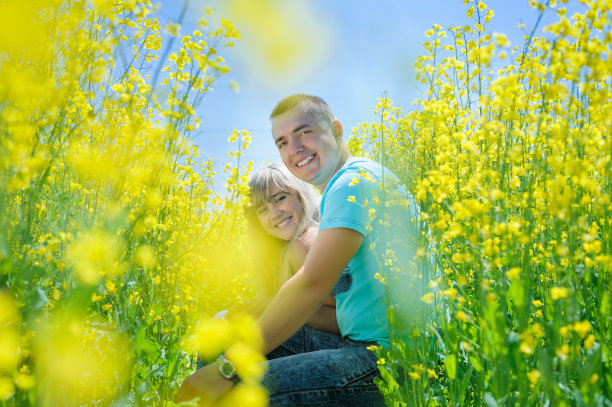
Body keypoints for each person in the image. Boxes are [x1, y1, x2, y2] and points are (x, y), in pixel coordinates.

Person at [177, 94, 423, 406]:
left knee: (236, 390)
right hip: (367, 347)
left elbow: (312, 284)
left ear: (336, 129)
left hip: (389, 362)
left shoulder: (352, 184)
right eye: (282, 142)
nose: (294, 149)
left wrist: (227, 369)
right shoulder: (350, 183)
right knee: (230, 325)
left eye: (304, 132)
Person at [222, 163, 340, 335]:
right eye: (262, 210)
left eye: (279, 199)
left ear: (300, 195)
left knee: (228, 327)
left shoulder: (304, 244)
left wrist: (274, 307)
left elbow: (349, 319)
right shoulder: (297, 245)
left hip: (351, 349)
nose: (274, 214)